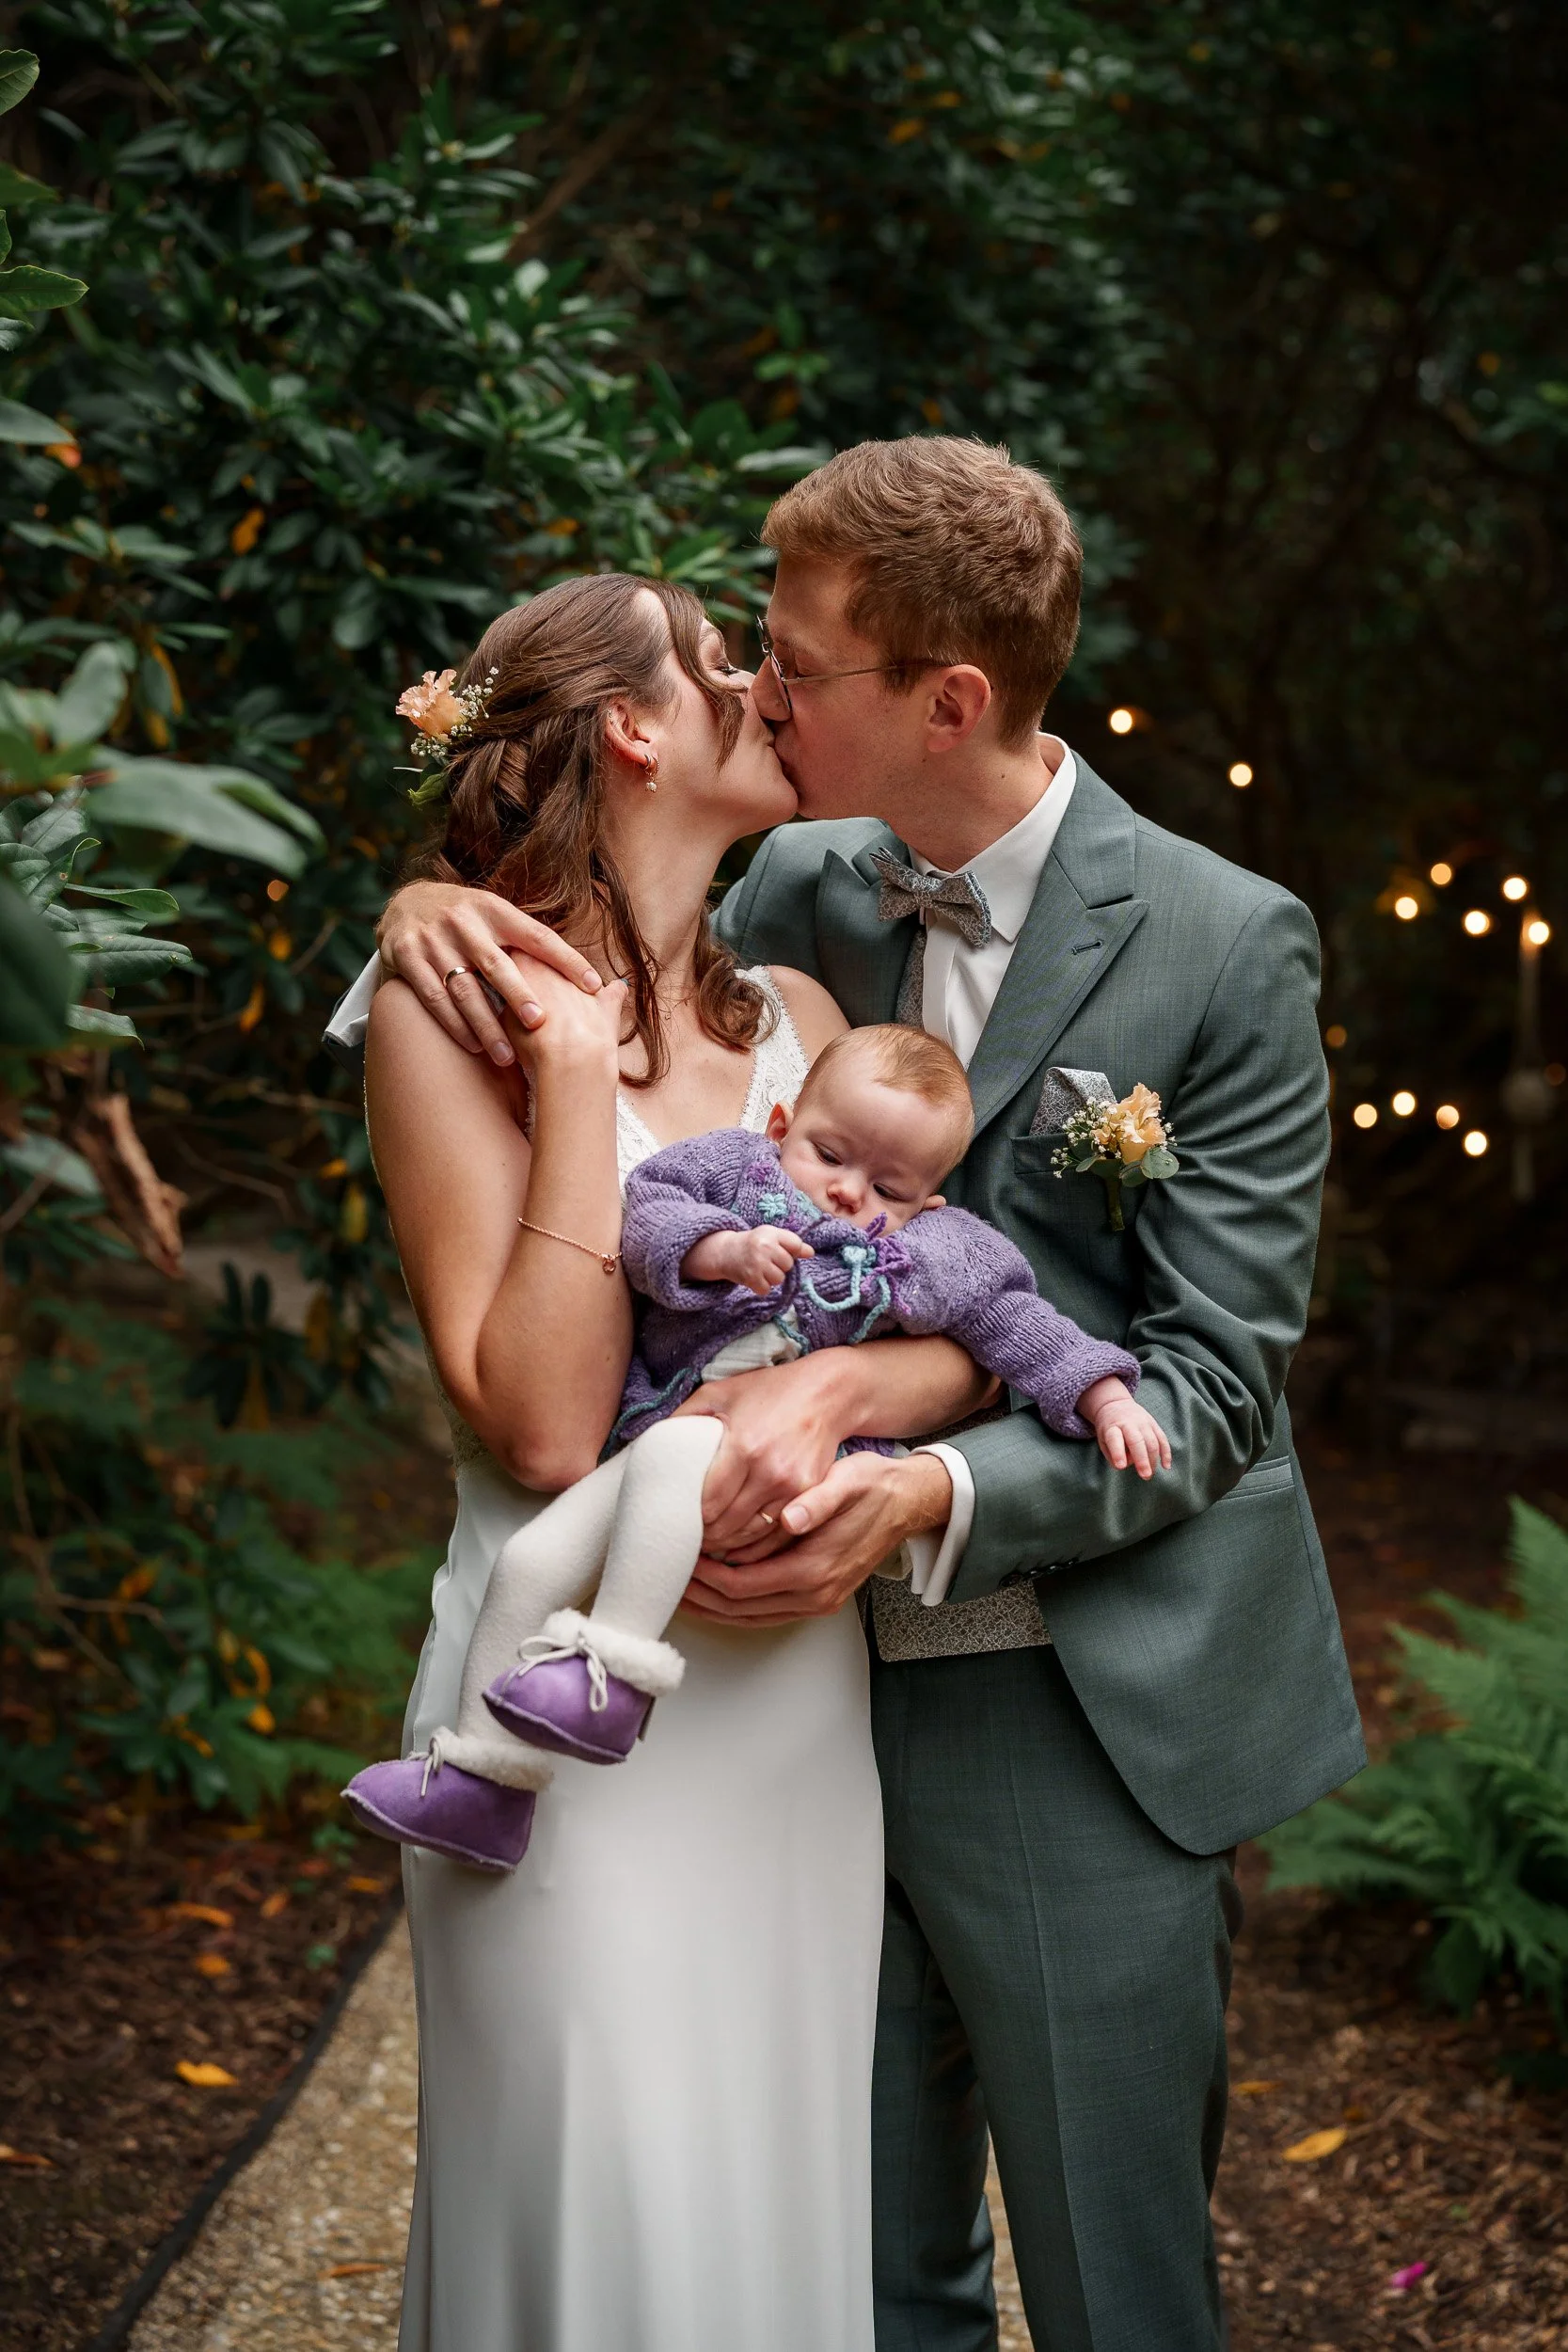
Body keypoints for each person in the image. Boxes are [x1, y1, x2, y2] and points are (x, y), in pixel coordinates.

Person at [338, 437, 1367, 2352]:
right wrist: (422, 899)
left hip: (1076, 1693)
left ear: (944, 699)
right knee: (844, 2266)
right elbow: (590, 915)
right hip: (787, 1691)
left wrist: (918, 1476)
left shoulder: (1223, 942)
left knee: (1108, 2274)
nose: (759, 688)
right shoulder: (795, 887)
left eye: (790, 655)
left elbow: (1210, 1380)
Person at [347, 569, 998, 2352]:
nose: (759, 686)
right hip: (553, 1716)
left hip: (793, 1720)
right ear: (631, 728)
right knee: (599, 2209)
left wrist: (862, 1400)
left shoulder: (798, 1004)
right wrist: (573, 1073)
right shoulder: (452, 1005)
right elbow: (548, 1427)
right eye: (721, 663)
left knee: (763, 2215)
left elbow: (959, 1296)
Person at [343, 1024, 1167, 1871]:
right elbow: (647, 1216)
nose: (849, 1192)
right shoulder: (734, 1172)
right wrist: (717, 1250)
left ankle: (611, 1680)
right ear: (779, 1126)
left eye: (888, 1183)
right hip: (669, 1428)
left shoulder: (935, 1253)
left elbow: (1019, 1325)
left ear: (929, 1202)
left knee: (673, 1456)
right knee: (531, 1560)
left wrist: (1102, 1395)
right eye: (830, 1154)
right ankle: (482, 1785)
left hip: (795, 1479)